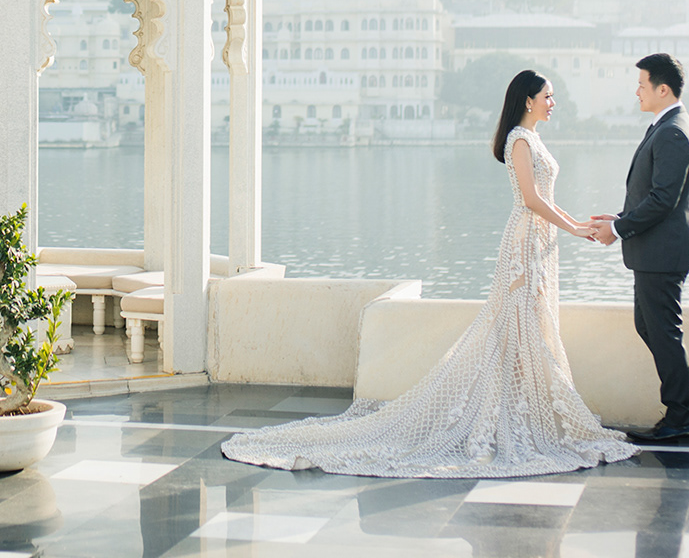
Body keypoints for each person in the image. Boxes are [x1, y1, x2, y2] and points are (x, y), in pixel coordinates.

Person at [220, 70, 635, 477]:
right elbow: (530, 199)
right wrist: (574, 228)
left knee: (530, 325)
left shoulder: (534, 138)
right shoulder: (519, 140)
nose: (553, 103)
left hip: (541, 240)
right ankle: (509, 414)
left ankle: (520, 409)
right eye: (547, 96)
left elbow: (546, 197)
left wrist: (577, 224)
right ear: (528, 100)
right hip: (525, 242)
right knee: (516, 324)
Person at [582, 53, 689, 442]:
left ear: (663, 89)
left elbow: (663, 200)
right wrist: (620, 217)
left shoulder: (673, 131)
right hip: (656, 251)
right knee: (651, 328)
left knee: (663, 333)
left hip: (662, 254)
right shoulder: (667, 126)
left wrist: (618, 229)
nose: (637, 92)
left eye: (642, 85)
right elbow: (654, 195)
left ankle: (679, 417)